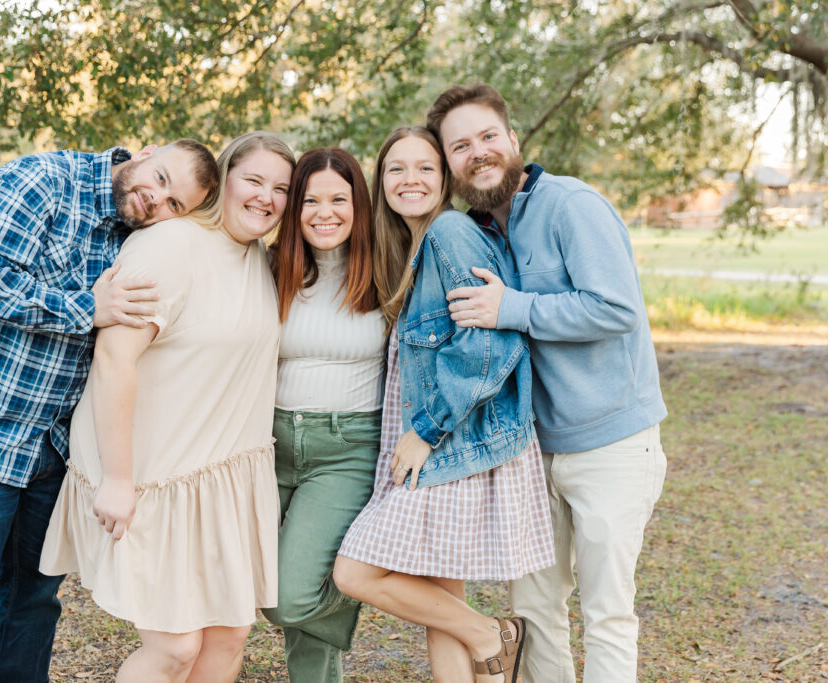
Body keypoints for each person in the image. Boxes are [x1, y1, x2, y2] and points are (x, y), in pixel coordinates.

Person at [0, 140, 219, 683]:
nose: (157, 201)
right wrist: (85, 308)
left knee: (34, 604)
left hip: (52, 448)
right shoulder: (43, 182)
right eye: (161, 178)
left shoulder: (146, 239)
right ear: (144, 152)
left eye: (175, 205)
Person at [427, 83, 668, 683]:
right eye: (460, 146)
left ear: (513, 140)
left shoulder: (570, 205)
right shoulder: (481, 230)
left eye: (487, 137)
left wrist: (514, 307)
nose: (477, 152)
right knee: (533, 607)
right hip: (532, 451)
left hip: (610, 444)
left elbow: (615, 310)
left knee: (606, 610)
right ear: (449, 163)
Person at [38, 131, 295, 683]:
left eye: (280, 189)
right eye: (253, 181)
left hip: (224, 476)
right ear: (223, 182)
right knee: (175, 647)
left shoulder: (258, 258)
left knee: (227, 637)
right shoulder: (171, 245)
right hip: (151, 475)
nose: (265, 198)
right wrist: (118, 479)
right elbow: (113, 359)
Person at [332, 126, 555, 683]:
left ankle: (492, 636)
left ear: (446, 178)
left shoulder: (450, 233)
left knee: (355, 573)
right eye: (395, 169)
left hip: (451, 440)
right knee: (441, 598)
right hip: (445, 439)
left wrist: (425, 431)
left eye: (425, 168)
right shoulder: (415, 248)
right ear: (379, 181)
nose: (409, 180)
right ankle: (484, 645)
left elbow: (491, 345)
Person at [260, 147, 386, 682]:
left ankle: (374, 587)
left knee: (290, 596)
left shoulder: (387, 270)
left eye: (339, 198)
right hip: (266, 441)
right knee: (257, 584)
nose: (324, 212)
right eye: (310, 200)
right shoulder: (268, 268)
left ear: (360, 204)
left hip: (347, 449)